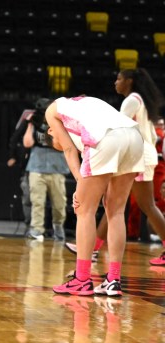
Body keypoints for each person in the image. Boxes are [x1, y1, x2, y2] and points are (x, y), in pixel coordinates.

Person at [46, 96, 143, 296]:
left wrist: (80, 182)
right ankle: (113, 280)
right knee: (115, 211)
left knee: (84, 210)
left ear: (50, 131)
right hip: (134, 137)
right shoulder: (81, 104)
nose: (59, 141)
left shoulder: (51, 111)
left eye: (54, 141)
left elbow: (69, 149)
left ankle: (81, 279)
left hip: (106, 138)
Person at [68, 69, 165, 265]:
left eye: (119, 78)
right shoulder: (138, 99)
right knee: (115, 206)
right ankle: (93, 248)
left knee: (141, 205)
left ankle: (92, 249)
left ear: (129, 81)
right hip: (139, 153)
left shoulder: (132, 99)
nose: (115, 82)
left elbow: (117, 125)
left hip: (138, 155)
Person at [21, 99, 70, 242]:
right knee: (37, 201)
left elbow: (63, 144)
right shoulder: (35, 123)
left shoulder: (61, 124)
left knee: (59, 203)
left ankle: (58, 227)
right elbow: (27, 143)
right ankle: (36, 230)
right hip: (37, 167)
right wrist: (30, 124)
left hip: (57, 168)